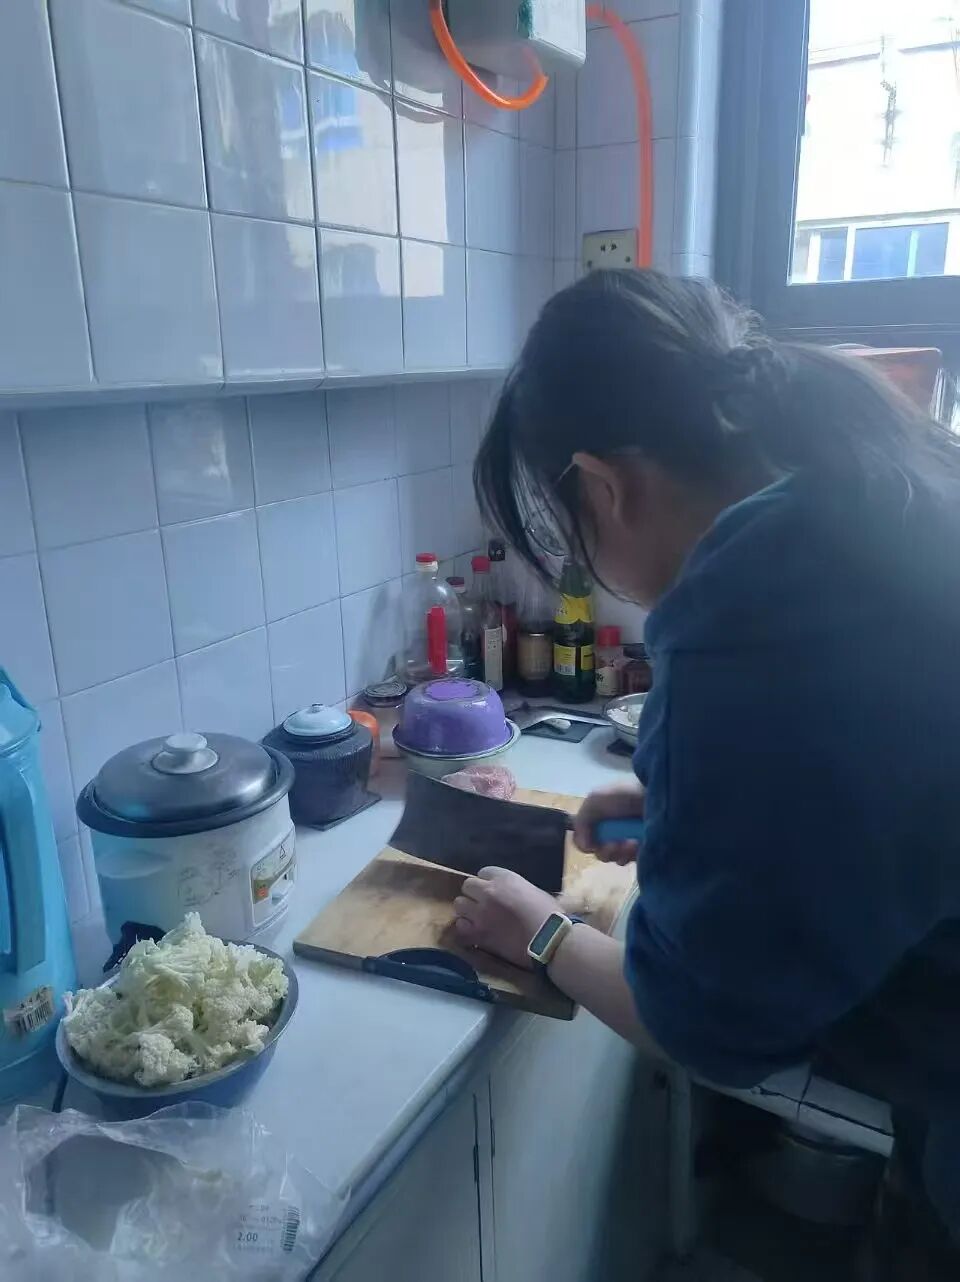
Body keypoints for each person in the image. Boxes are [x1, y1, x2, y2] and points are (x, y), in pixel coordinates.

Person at [454, 268, 960, 1280]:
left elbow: (703, 1025)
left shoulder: (751, 610)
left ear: (604, 484)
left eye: (562, 523)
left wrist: (541, 931)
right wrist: (691, 807)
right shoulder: (884, 495)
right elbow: (890, 778)